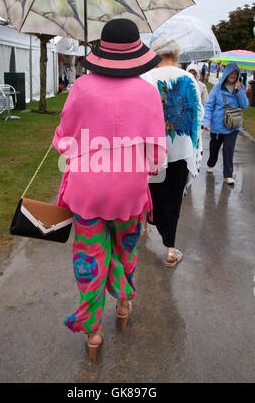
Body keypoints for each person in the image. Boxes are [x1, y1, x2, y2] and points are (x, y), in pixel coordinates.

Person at [53, 19, 166, 360]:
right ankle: (123, 303)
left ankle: (93, 332)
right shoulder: (147, 92)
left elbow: (65, 139)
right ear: (136, 53)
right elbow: (156, 156)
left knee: (89, 256)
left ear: (101, 51)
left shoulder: (82, 88)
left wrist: (67, 144)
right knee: (126, 251)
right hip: (129, 192)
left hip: (87, 190)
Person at [142, 36, 203, 267]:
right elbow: (198, 115)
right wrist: (195, 148)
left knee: (150, 191)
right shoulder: (188, 78)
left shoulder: (145, 78)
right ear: (176, 55)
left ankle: (144, 225)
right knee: (172, 198)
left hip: (152, 152)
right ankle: (170, 249)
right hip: (180, 150)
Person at [203, 63, 249, 185]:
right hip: (217, 126)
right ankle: (211, 163)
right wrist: (206, 122)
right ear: (226, 74)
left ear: (238, 75)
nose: (233, 76)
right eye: (231, 73)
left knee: (228, 149)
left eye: (235, 74)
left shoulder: (240, 88)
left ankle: (227, 175)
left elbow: (244, 105)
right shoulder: (217, 88)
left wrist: (240, 91)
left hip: (233, 125)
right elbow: (209, 106)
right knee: (214, 148)